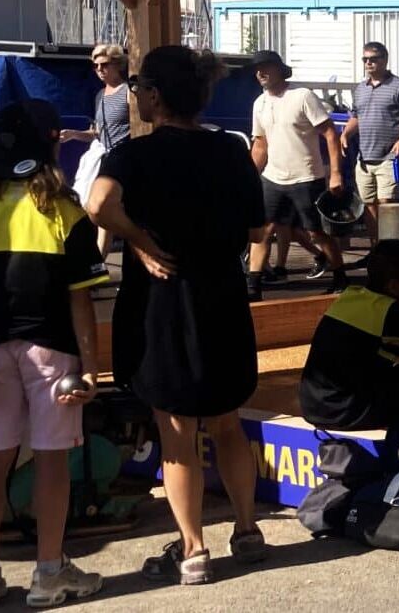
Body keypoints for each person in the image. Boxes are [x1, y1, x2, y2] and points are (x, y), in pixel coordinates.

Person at [87, 46, 266, 586]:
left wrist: (139, 239)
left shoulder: (135, 155)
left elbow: (97, 205)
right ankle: (247, 529)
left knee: (177, 431)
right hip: (223, 294)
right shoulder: (231, 151)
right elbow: (257, 232)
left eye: (140, 86)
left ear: (156, 96)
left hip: (164, 301)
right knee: (229, 421)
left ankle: (193, 550)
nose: (136, 94)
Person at [0, 101, 107, 608]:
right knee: (52, 459)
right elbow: (81, 297)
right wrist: (91, 369)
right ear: (50, 144)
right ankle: (48, 571)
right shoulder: (65, 210)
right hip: (50, 350)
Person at [299, 241, 399, 431]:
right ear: (393, 285)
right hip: (348, 411)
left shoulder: (349, 297)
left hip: (313, 407)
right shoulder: (391, 313)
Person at [247, 50, 347, 300]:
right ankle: (253, 286)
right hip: (273, 177)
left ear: (281, 69)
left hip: (306, 176)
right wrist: (247, 177)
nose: (261, 73)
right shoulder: (259, 103)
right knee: (263, 231)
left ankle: (340, 278)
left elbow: (330, 134)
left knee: (316, 232)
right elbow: (260, 145)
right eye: (257, 69)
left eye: (266, 67)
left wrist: (335, 173)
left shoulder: (302, 96)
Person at [342, 42, 399, 240]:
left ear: (384, 60)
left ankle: (390, 247)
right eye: (365, 59)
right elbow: (356, 116)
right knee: (368, 206)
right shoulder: (360, 88)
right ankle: (375, 249)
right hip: (364, 158)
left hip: (389, 157)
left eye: (373, 59)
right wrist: (345, 134)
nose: (368, 63)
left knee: (387, 204)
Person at [61, 44, 130, 257]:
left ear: (117, 64)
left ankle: (101, 257)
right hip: (101, 158)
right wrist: (74, 134)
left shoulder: (128, 92)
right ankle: (98, 259)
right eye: (95, 66)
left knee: (102, 208)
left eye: (104, 65)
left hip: (120, 160)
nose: (99, 70)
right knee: (93, 207)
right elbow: (97, 132)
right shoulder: (100, 95)